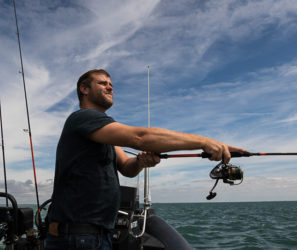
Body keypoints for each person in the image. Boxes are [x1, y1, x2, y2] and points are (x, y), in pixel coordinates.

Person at [45, 69, 246, 250]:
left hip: (99, 234)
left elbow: (126, 168)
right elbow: (140, 138)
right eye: (103, 83)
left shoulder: (104, 135)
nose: (110, 87)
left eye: (111, 84)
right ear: (84, 89)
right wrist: (204, 142)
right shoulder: (83, 118)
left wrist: (141, 162)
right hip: (77, 236)